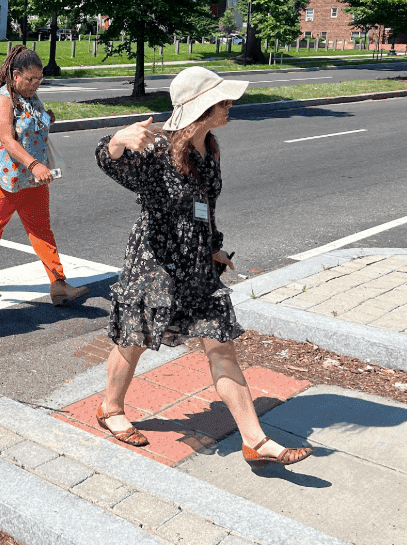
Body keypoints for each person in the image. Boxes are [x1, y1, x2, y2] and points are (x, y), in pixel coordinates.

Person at [95, 66, 312, 468]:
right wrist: (116, 141)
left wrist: (214, 248)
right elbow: (112, 164)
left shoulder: (209, 148)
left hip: (197, 267)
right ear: (201, 107)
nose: (230, 107)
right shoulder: (157, 150)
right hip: (155, 265)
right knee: (133, 341)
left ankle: (255, 440)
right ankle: (110, 408)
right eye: (223, 101)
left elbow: (205, 209)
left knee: (222, 349)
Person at [0, 46, 87, 306]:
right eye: (30, 79)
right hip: (2, 177)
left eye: (39, 79)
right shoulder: (3, 99)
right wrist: (34, 164)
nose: (35, 84)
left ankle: (58, 283)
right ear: (15, 75)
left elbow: (32, 123)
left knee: (42, 230)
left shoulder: (31, 98)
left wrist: (47, 119)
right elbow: (7, 140)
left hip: (31, 180)